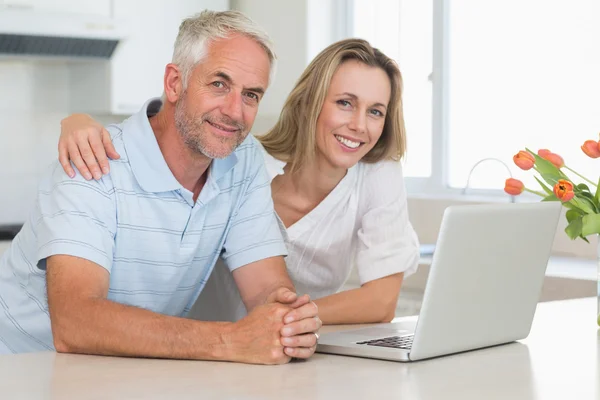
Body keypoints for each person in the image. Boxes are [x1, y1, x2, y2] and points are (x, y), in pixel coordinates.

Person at [0, 10, 321, 364]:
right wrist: (229, 340)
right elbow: (75, 322)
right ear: (174, 83)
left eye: (251, 95)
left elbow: (266, 289)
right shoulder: (95, 159)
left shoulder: (243, 161)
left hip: (116, 372)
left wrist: (288, 321)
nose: (235, 111)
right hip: (18, 369)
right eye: (219, 84)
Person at [57, 38, 420, 325]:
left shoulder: (377, 174)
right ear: (310, 103)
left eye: (376, 111)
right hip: (193, 337)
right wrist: (76, 120)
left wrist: (286, 321)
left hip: (274, 343)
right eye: (344, 103)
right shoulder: (242, 162)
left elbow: (380, 300)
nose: (359, 124)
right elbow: (175, 129)